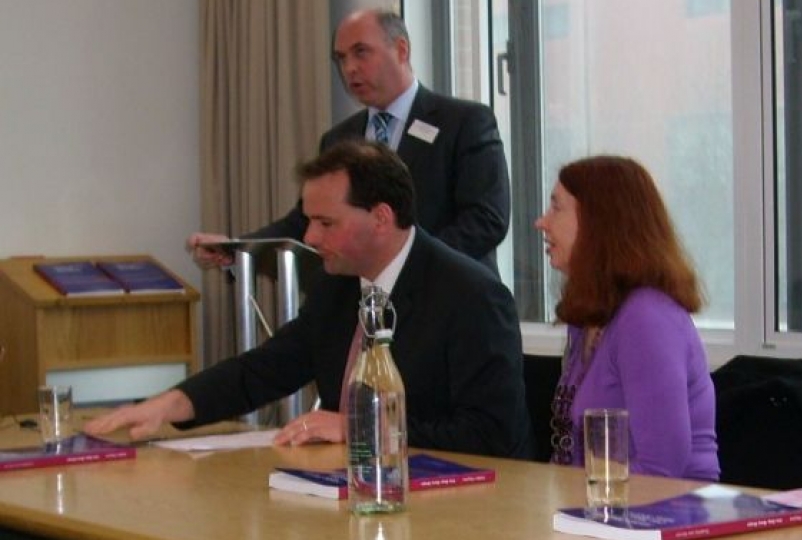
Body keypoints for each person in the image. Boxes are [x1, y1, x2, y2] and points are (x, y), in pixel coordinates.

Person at [86, 139, 534, 460]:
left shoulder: (471, 295)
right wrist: (169, 404)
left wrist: (359, 428)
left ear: (381, 218)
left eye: (325, 222)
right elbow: (266, 368)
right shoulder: (336, 286)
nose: (309, 237)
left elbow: (491, 435)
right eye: (308, 221)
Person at [188, 9, 510, 276]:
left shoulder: (463, 122)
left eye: (361, 52)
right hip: (362, 311)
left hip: (448, 305)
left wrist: (406, 265)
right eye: (341, 58)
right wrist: (237, 249)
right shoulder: (339, 139)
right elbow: (304, 223)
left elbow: (485, 220)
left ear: (401, 50)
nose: (350, 68)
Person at [534, 155, 719, 480]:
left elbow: (661, 470)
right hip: (597, 510)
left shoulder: (646, 319)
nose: (541, 222)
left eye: (556, 208)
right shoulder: (588, 315)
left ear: (598, 222)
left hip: (664, 517)